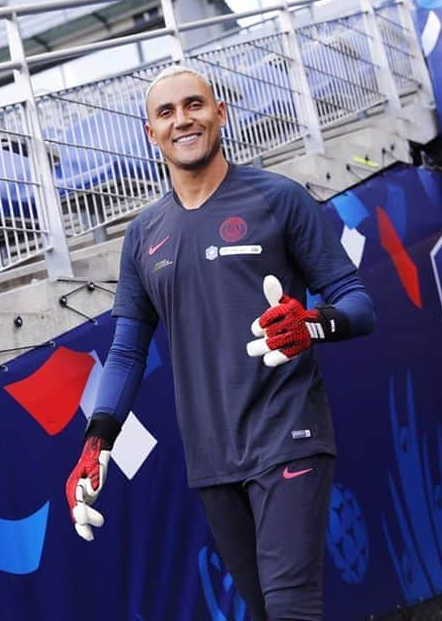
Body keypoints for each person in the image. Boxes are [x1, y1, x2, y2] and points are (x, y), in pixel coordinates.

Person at [65, 66, 375, 620]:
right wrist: (97, 442)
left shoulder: (278, 199)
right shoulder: (143, 236)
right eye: (167, 112)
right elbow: (127, 351)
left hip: (289, 432)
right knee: (262, 612)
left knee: (290, 607)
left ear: (220, 113)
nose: (183, 119)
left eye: (194, 105)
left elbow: (357, 302)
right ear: (150, 133)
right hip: (210, 454)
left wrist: (311, 324)